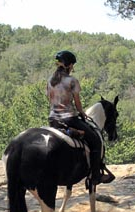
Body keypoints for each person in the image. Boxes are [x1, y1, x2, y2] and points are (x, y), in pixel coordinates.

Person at [46, 50, 113, 185]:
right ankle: (96, 175)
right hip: (69, 118)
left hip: (53, 119)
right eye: (72, 65)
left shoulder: (50, 80)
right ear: (68, 65)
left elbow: (50, 99)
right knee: (96, 140)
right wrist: (82, 112)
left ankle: (70, 133)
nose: (72, 68)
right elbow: (77, 102)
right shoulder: (72, 81)